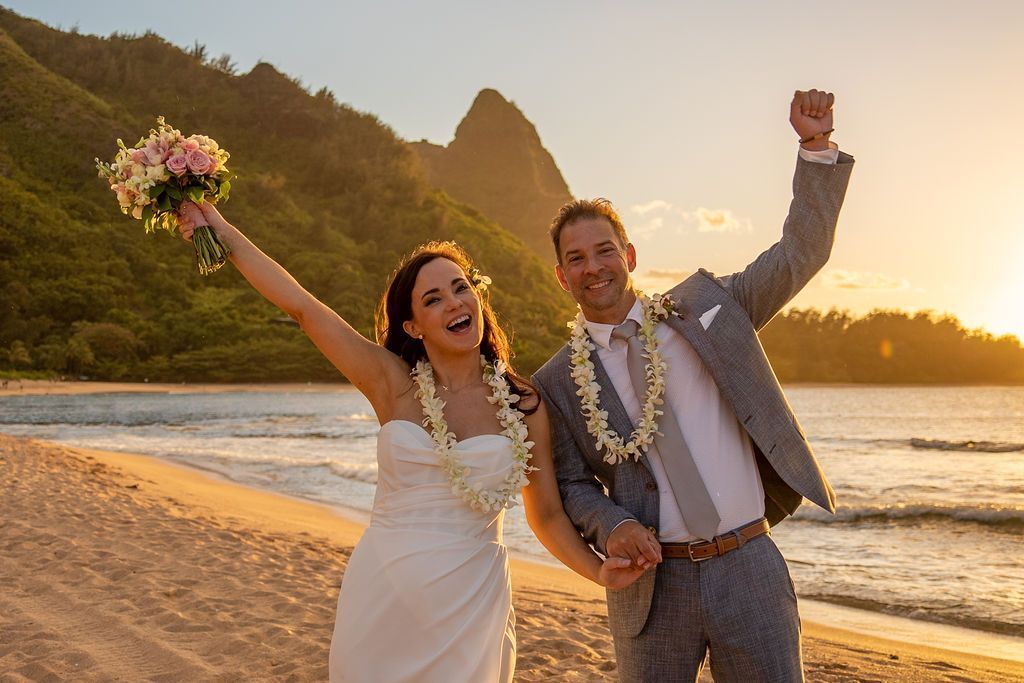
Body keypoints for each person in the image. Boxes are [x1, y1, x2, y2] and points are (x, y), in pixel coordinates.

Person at [175, 203, 646, 682]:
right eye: (434, 299)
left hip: (472, 607)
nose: (456, 303)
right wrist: (220, 230)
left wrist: (597, 571)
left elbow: (544, 514)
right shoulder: (390, 383)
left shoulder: (524, 403)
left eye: (461, 289)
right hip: (384, 597)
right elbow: (301, 306)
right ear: (413, 327)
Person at [531, 89, 855, 682]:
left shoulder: (708, 307)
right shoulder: (555, 381)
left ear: (628, 253)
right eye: (576, 258)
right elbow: (572, 484)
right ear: (561, 276)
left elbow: (799, 254)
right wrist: (614, 525)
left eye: (605, 250)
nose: (593, 266)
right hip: (652, 587)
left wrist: (814, 147)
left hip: (748, 564)